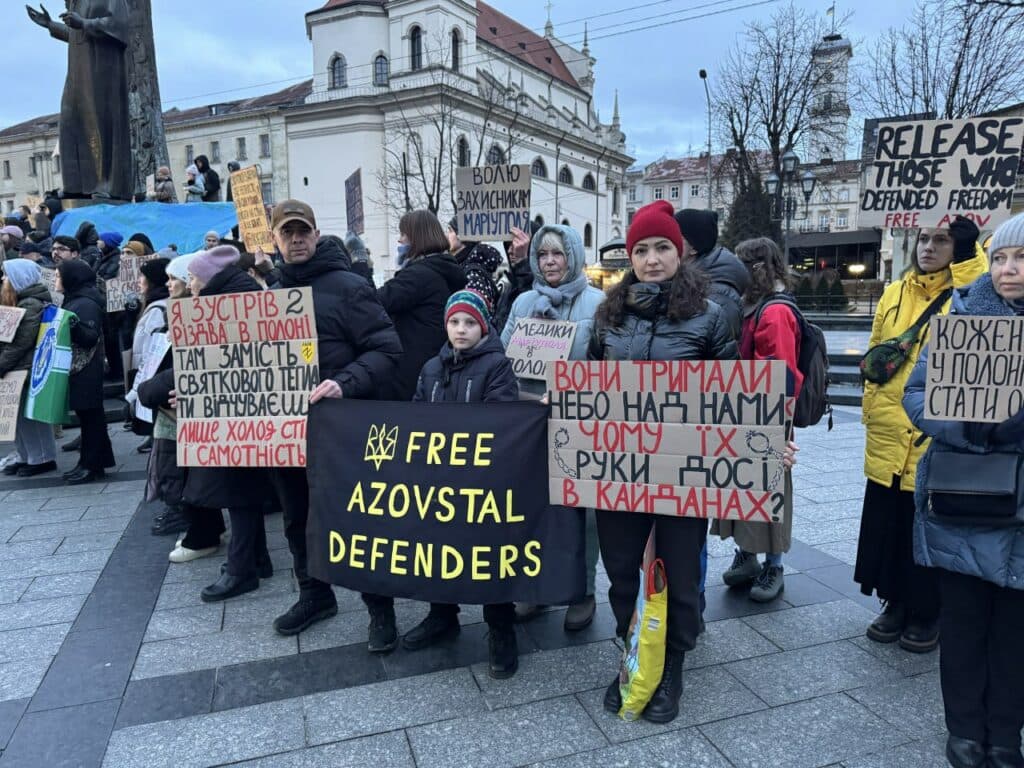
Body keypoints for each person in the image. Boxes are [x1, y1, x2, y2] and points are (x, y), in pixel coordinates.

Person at [590, 200, 737, 724]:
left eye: (662, 248)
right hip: (618, 471)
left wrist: (768, 442)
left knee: (676, 571)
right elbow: (584, 385)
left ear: (680, 253)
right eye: (641, 250)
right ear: (630, 256)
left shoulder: (712, 315)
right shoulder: (606, 314)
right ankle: (633, 655)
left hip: (683, 474)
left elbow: (734, 398)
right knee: (623, 574)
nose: (651, 259)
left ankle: (672, 661)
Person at [903, 212, 1024, 768]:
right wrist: (971, 425)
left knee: (1015, 636)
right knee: (966, 626)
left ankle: (1005, 736)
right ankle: (964, 731)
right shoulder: (962, 313)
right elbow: (918, 394)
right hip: (965, 502)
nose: (1008, 269)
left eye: (1021, 257)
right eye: (999, 257)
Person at [261, 200, 401, 649]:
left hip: (343, 430)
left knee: (359, 521)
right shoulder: (267, 297)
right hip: (287, 433)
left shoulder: (349, 286)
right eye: (288, 233)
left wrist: (344, 383)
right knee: (296, 517)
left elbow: (387, 350)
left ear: (317, 235)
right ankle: (314, 594)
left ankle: (380, 610)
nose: (297, 239)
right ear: (276, 241)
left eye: (304, 231)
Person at [854, 216, 987, 654]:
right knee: (889, 527)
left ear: (960, 247)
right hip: (888, 432)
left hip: (933, 435)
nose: (929, 247)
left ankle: (926, 612)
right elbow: (875, 353)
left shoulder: (969, 292)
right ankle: (893, 603)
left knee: (928, 529)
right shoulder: (894, 291)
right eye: (924, 238)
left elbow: (982, 312)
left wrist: (970, 258)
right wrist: (871, 409)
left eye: (942, 240)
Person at [401, 289, 521, 677]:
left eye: (470, 322)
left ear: (483, 326)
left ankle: (501, 629)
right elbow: (418, 418)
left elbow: (502, 421)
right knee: (437, 551)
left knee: (487, 558)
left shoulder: (498, 367)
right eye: (454, 322)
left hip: (482, 482)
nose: (461, 329)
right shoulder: (431, 368)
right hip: (439, 480)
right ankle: (442, 615)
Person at [499, 223, 605, 631]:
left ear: (573, 255)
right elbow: (502, 356)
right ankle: (536, 588)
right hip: (530, 422)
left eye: (557, 254)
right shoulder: (524, 301)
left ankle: (583, 591)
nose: (549, 262)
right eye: (542, 255)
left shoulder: (597, 302)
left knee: (582, 513)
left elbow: (606, 364)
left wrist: (570, 393)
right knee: (533, 509)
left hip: (579, 421)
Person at [712, 237, 801, 602]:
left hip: (767, 413)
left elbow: (781, 372)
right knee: (744, 487)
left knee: (772, 489)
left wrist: (773, 421)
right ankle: (747, 556)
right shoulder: (752, 305)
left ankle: (774, 564)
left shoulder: (775, 311)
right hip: (745, 409)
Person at [182, 246, 272, 601]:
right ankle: (256, 559)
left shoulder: (233, 300)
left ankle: (242, 569)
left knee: (239, 489)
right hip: (236, 406)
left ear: (208, 277)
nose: (189, 284)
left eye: (192, 277)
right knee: (242, 486)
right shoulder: (227, 296)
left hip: (242, 408)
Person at [377, 210, 466, 400]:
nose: (400, 241)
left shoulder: (417, 275)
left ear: (417, 237)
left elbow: (377, 301)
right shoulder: (443, 268)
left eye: (403, 234)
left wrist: (359, 264)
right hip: (435, 366)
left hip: (411, 372)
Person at [56, 259, 115, 485]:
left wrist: (71, 325)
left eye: (60, 276)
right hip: (80, 367)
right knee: (89, 417)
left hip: (86, 368)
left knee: (91, 417)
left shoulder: (85, 303)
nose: (56, 280)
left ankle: (91, 464)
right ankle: (92, 462)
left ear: (72, 278)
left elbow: (89, 337)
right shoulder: (77, 299)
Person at [0, 259, 57, 477]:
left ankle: (42, 457)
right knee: (16, 416)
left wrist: (2, 364)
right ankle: (26, 455)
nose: (3, 279)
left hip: (25, 367)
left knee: (29, 416)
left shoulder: (31, 304)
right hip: (15, 367)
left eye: (6, 276)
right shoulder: (19, 301)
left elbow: (20, 342)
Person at [673, 209, 750, 339]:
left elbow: (723, 351)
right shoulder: (692, 282)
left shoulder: (719, 295)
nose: (669, 242)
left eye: (675, 237)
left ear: (694, 247)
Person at [126, 257, 170, 450]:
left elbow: (150, 348)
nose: (139, 280)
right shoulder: (157, 305)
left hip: (150, 370)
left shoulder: (157, 309)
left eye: (143, 276)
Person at [493, 225, 534, 334]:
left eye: (517, 245)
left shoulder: (542, 286)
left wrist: (522, 263)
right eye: (507, 245)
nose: (511, 251)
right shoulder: (507, 284)